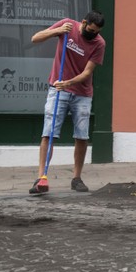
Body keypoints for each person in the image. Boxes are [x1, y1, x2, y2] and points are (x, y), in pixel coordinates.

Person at [28, 11, 106, 195]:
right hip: (58, 89)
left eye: (97, 31)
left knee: (81, 136)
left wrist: (69, 83)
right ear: (84, 22)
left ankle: (77, 178)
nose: (93, 34)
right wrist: (58, 31)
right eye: (91, 30)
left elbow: (88, 73)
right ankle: (41, 178)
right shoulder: (67, 26)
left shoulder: (99, 43)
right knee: (49, 133)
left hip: (82, 94)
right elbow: (35, 38)